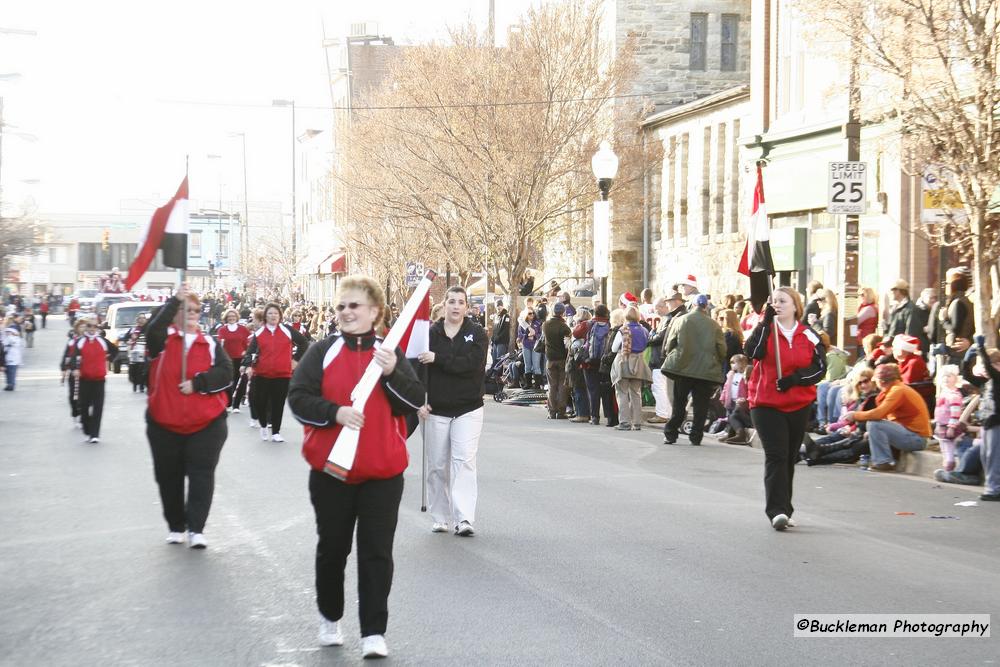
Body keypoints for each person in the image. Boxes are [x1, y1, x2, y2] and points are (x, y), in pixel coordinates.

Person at [288, 275, 424, 657]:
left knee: (376, 552)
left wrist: (392, 371)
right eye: (341, 306)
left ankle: (373, 632)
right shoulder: (322, 351)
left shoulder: (390, 354)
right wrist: (335, 413)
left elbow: (413, 401)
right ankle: (330, 617)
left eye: (354, 305)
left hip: (382, 475)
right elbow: (298, 398)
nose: (346, 312)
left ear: (375, 312)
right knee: (333, 548)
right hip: (332, 472)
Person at [144, 284, 232, 549]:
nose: (193, 313)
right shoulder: (163, 341)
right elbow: (152, 330)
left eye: (196, 310)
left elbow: (227, 372)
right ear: (175, 314)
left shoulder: (211, 344)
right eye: (186, 309)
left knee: (201, 474)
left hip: (206, 425)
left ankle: (196, 528)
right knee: (168, 477)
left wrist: (199, 383)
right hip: (164, 425)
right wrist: (174, 300)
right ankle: (176, 525)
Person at [744, 288, 826, 530]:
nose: (777, 304)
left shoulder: (808, 334)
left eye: (782, 301)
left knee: (790, 457)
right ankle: (776, 511)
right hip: (766, 403)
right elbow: (752, 352)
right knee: (776, 455)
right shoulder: (765, 329)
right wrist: (765, 322)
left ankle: (786, 508)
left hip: (798, 403)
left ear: (795, 306)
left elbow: (819, 368)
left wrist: (795, 379)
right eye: (774, 301)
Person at [415, 285, 489, 536]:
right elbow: (416, 369)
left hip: (468, 408)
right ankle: (440, 516)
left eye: (461, 302)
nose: (456, 306)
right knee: (437, 464)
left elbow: (472, 365)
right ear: (444, 305)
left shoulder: (477, 333)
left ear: (467, 307)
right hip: (435, 409)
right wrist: (418, 401)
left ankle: (464, 518)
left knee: (464, 461)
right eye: (452, 301)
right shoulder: (429, 334)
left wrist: (438, 359)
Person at [661, 294, 727, 446]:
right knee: (701, 405)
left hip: (682, 368)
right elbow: (722, 350)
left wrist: (672, 356)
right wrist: (715, 361)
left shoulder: (681, 320)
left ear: (692, 305)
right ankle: (696, 436)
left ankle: (671, 433)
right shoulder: (714, 325)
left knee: (679, 403)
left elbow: (670, 344)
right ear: (705, 307)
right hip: (705, 371)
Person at [845, 362, 931, 471]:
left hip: (917, 438)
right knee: (874, 426)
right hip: (910, 434)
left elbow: (878, 414)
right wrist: (872, 433)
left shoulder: (898, 391)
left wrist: (855, 415)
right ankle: (883, 460)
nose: (874, 382)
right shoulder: (895, 389)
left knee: (874, 424)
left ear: (881, 381)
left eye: (875, 380)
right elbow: (887, 418)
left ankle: (883, 461)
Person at [244, 303, 310, 442]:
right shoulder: (260, 332)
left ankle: (275, 432)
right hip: (262, 373)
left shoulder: (287, 330)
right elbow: (250, 352)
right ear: (265, 316)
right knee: (260, 402)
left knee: (278, 403)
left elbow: (304, 342)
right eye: (270, 313)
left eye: (275, 313)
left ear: (280, 315)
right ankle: (263, 425)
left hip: (282, 374)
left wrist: (296, 360)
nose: (273, 316)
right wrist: (248, 365)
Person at [959, 338, 1000, 501]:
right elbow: (966, 374)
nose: (985, 369)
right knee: (986, 456)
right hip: (987, 422)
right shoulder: (986, 382)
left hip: (997, 422)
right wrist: (967, 358)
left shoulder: (997, 378)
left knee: (994, 456)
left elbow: (991, 369)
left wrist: (981, 349)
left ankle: (994, 489)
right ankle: (991, 487)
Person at [68, 316, 119, 443]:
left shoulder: (102, 341)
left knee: (98, 407)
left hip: (99, 380)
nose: (92, 328)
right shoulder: (80, 341)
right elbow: (73, 357)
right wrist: (75, 368)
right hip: (85, 379)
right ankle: (87, 429)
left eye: (94, 326)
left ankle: (95, 434)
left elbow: (115, 350)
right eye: (89, 326)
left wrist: (109, 359)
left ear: (98, 327)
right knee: (84, 407)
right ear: (86, 327)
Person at [610, 305, 651, 430]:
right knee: (636, 393)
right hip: (639, 362)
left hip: (624, 361)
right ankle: (637, 422)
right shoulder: (644, 330)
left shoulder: (623, 330)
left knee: (622, 393)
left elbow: (613, 348)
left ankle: (624, 422)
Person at [579, 304, 615, 426]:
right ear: (606, 313)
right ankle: (609, 417)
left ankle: (594, 417)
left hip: (590, 363)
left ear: (595, 313)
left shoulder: (588, 324)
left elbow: (575, 333)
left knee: (593, 390)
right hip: (605, 363)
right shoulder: (610, 325)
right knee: (606, 390)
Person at [215, 308, 252, 410]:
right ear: (226, 318)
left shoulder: (243, 329)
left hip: (240, 359)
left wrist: (246, 351)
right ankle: (229, 403)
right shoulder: (222, 329)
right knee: (229, 381)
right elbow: (220, 343)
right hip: (227, 359)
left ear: (237, 318)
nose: (231, 318)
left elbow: (248, 343)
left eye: (233, 316)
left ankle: (236, 405)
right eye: (229, 317)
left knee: (242, 381)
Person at [542, 302, 572, 419]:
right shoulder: (564, 326)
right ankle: (561, 411)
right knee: (562, 386)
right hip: (562, 358)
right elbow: (567, 342)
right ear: (562, 312)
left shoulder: (546, 325)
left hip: (550, 358)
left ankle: (551, 411)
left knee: (552, 385)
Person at [645, 297, 673, 424]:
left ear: (663, 306)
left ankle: (662, 413)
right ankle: (665, 412)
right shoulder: (665, 319)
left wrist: (651, 336)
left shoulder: (667, 319)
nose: (656, 311)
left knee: (659, 387)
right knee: (662, 387)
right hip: (661, 358)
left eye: (657, 308)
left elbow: (657, 337)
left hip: (660, 359)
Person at [933, 365, 964, 472]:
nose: (946, 378)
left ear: (956, 379)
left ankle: (949, 464)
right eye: (943, 376)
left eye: (949, 376)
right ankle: (947, 462)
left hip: (948, 425)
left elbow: (955, 413)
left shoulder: (953, 395)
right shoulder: (944, 393)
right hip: (941, 424)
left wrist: (952, 426)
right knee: (944, 445)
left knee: (949, 445)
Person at [720, 354, 751, 444]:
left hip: (741, 400)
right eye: (731, 363)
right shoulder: (731, 375)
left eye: (735, 363)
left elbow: (748, 389)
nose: (733, 365)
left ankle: (734, 433)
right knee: (730, 415)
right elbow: (726, 387)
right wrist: (723, 397)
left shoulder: (745, 375)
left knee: (733, 415)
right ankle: (731, 433)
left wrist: (745, 399)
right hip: (731, 399)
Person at [517, 307, 543, 390]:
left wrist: (535, 336)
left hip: (536, 346)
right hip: (526, 345)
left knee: (536, 365)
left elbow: (541, 334)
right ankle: (528, 384)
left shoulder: (538, 323)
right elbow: (520, 334)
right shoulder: (522, 323)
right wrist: (527, 336)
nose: (532, 315)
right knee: (527, 365)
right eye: (529, 313)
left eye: (533, 313)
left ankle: (537, 385)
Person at [2, 326, 23, 390]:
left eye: (9, 332)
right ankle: (8, 384)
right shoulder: (6, 338)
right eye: (7, 332)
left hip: (13, 359)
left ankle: (11, 384)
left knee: (12, 372)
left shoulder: (16, 339)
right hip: (6, 358)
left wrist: (10, 336)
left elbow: (14, 343)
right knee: (7, 372)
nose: (8, 333)